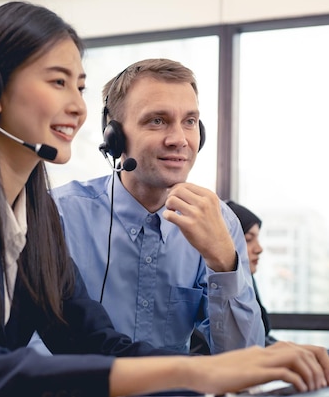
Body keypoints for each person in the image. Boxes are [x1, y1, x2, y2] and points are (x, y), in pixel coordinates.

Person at [0, 2, 329, 397]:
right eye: (58, 81)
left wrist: (232, 371)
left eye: (80, 87)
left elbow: (95, 341)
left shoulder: (35, 215)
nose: (77, 107)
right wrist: (195, 369)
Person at [48, 58, 263, 355]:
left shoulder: (219, 221)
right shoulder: (58, 216)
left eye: (189, 121)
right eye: (157, 121)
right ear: (115, 136)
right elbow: (26, 347)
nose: (179, 140)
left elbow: (244, 360)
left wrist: (224, 264)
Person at [225, 200, 329, 363]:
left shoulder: (246, 283)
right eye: (248, 239)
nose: (259, 248)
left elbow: (265, 345)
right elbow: (258, 350)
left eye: (258, 238)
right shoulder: (216, 291)